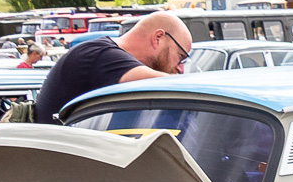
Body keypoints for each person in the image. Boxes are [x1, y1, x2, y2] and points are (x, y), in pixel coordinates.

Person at [33, 11, 191, 124]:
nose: (180, 68)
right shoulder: (100, 56)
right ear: (158, 38)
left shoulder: (102, 53)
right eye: (180, 57)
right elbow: (175, 85)